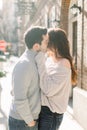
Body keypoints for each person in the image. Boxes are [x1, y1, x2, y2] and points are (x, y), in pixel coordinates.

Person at [35, 28, 77, 130]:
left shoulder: (63, 63)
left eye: (47, 40)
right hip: (43, 110)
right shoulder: (49, 58)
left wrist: (40, 58)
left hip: (51, 114)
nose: (45, 43)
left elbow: (48, 90)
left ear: (54, 42)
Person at [8, 26, 48, 130]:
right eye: (46, 42)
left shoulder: (35, 61)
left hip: (28, 120)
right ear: (36, 46)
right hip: (23, 122)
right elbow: (19, 98)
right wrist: (30, 121)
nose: (47, 45)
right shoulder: (25, 64)